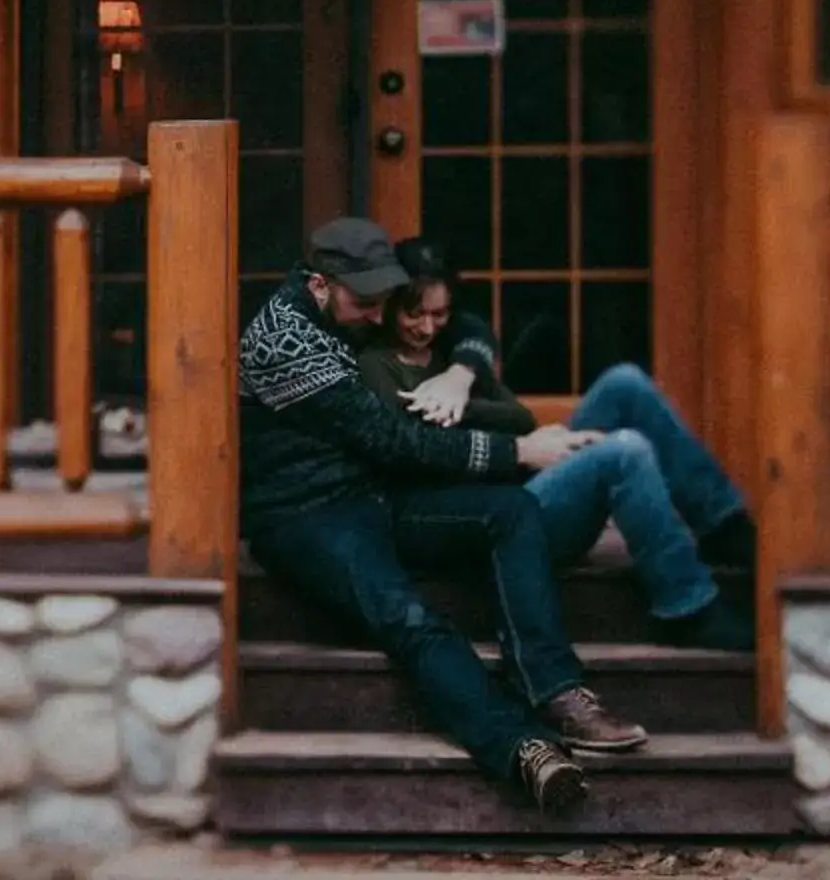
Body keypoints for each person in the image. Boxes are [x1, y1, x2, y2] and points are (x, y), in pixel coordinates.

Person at [240, 218, 649, 816]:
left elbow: (469, 325)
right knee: (412, 621)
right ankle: (525, 750)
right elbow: (394, 441)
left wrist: (460, 372)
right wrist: (517, 451)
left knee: (511, 511)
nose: (381, 318)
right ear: (320, 284)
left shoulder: (346, 312)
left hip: (376, 496)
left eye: (386, 303)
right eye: (368, 304)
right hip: (307, 516)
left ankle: (556, 690)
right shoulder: (282, 341)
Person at [365, 238, 759, 652]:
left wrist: (461, 388)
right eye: (414, 314)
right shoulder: (376, 367)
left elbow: (518, 417)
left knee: (625, 384)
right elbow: (423, 453)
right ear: (390, 305)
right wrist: (516, 444)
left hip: (518, 480)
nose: (426, 327)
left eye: (439, 313)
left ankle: (723, 526)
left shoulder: (452, 352)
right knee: (625, 452)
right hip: (495, 526)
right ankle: (687, 606)